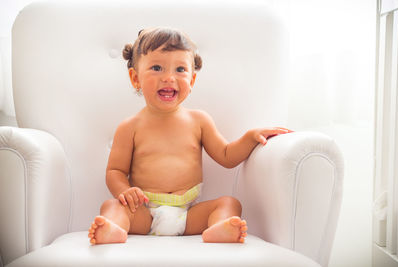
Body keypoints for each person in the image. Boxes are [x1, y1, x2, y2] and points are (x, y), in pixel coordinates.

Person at [88, 27, 292, 245]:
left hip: (188, 215)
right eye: (157, 68)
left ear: (192, 80)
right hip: (144, 212)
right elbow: (115, 171)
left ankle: (218, 228)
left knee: (229, 204)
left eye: (180, 69)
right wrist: (125, 191)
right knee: (111, 207)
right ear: (135, 78)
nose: (168, 78)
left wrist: (251, 137)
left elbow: (226, 155)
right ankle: (114, 229)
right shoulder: (130, 127)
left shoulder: (199, 121)